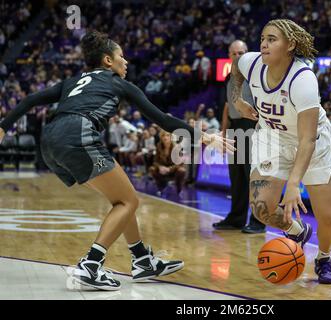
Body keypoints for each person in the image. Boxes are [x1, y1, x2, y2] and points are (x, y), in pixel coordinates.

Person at [0, 31, 234, 291]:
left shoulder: (74, 80)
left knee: (122, 198)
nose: (126, 62)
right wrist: (205, 137)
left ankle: (142, 259)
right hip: (78, 134)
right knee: (128, 201)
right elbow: (164, 120)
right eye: (121, 56)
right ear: (108, 60)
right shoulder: (118, 82)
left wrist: (3, 127)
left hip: (50, 140)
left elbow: (31, 99)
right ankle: (91, 264)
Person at [231, 19, 331, 284]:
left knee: (328, 217)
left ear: (290, 45)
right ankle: (297, 230)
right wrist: (237, 100)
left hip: (313, 142)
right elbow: (234, 70)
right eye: (262, 39)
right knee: (260, 208)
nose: (264, 44)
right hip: (272, 137)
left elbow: (307, 139)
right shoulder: (250, 62)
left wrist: (293, 184)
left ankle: (324, 257)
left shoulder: (303, 80)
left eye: (272, 39)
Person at [212, 40, 266, 234]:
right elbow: (228, 107)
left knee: (253, 176)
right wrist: (224, 132)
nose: (238, 56)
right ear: (229, 55)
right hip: (235, 129)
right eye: (234, 53)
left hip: (252, 127)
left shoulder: (255, 77)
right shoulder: (229, 78)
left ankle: (259, 221)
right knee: (236, 177)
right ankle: (236, 218)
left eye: (241, 53)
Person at [149, 130, 187, 195]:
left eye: (167, 135)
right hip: (163, 168)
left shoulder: (177, 147)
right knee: (152, 169)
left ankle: (179, 189)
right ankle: (161, 187)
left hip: (174, 169)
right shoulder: (159, 146)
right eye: (163, 135)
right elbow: (155, 161)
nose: (165, 137)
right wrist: (160, 167)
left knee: (182, 170)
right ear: (161, 137)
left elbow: (180, 162)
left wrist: (169, 169)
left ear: (171, 137)